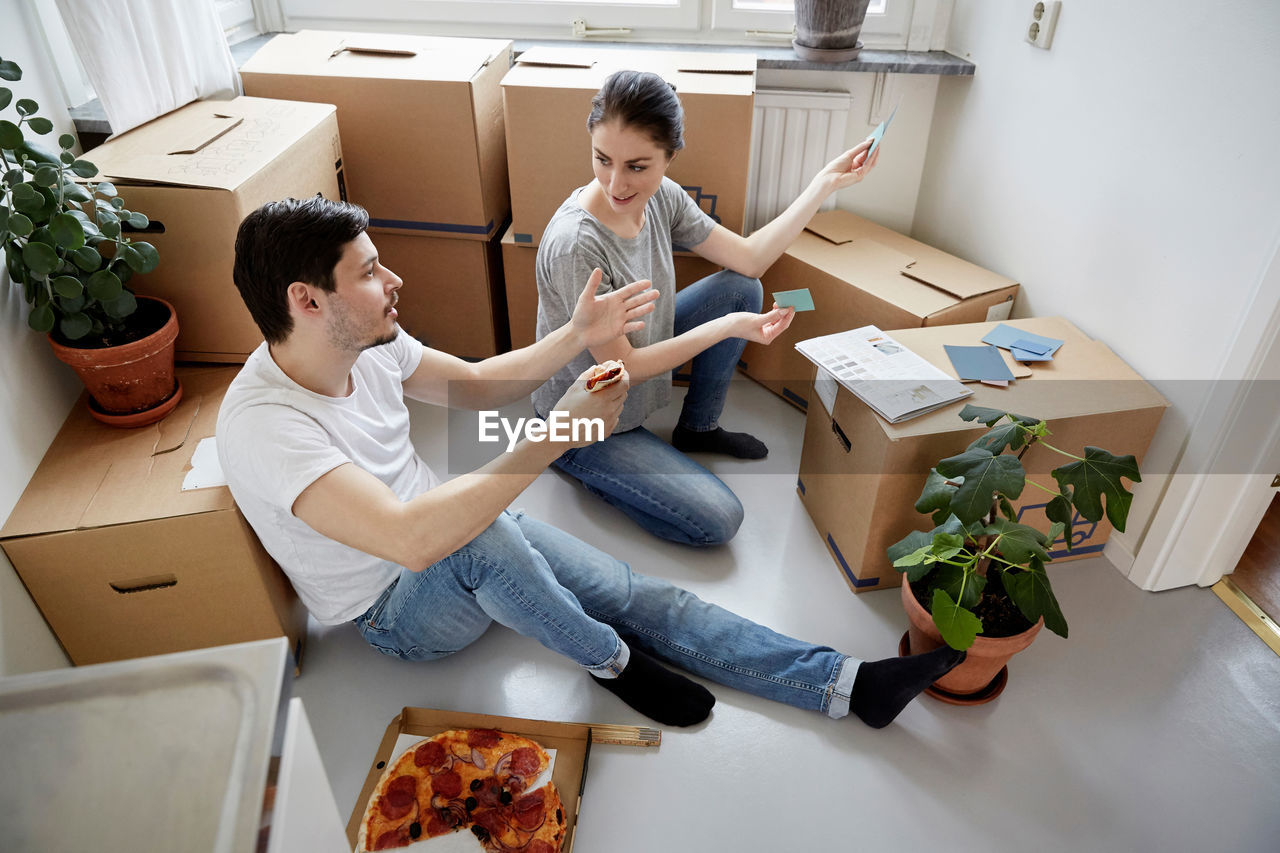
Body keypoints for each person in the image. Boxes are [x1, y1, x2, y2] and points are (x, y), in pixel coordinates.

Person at [216, 196, 963, 731]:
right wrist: (561, 431)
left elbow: (482, 384)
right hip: (395, 609)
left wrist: (576, 333)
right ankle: (611, 663)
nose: (395, 282)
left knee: (640, 592)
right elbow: (411, 540)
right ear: (308, 302)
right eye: (371, 272)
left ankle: (845, 684)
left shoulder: (366, 343)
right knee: (480, 534)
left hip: (460, 534)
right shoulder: (267, 426)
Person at [533, 70, 881, 547]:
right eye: (602, 159)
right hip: (586, 417)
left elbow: (751, 258)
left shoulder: (662, 198)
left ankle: (699, 428)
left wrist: (823, 184)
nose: (616, 183)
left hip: (633, 357)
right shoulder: (577, 245)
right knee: (718, 520)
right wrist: (728, 328)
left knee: (742, 286)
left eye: (637, 166)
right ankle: (577, 463)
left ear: (669, 157)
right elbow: (625, 367)